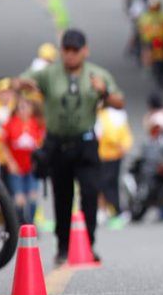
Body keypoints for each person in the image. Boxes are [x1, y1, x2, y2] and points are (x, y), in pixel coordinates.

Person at [15, 28, 124, 266]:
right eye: (67, 50)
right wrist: (25, 83)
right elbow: (21, 81)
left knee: (89, 194)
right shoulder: (49, 74)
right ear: (61, 50)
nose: (71, 55)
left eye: (76, 50)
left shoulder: (97, 74)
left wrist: (103, 91)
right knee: (62, 196)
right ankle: (63, 246)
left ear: (85, 50)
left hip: (85, 142)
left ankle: (88, 244)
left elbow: (119, 101)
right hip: (57, 143)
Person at [0, 95, 46, 226]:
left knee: (32, 197)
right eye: (21, 108)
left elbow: (41, 141)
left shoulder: (36, 123)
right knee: (19, 199)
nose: (23, 110)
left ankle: (31, 223)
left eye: (26, 107)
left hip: (31, 166)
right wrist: (10, 161)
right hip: (16, 167)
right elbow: (3, 143)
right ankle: (20, 224)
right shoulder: (11, 123)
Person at [96, 102, 134, 222]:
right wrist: (123, 146)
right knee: (110, 183)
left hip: (106, 154)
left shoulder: (104, 116)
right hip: (111, 154)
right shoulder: (118, 115)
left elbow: (107, 135)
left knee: (106, 184)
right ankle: (108, 209)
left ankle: (113, 209)